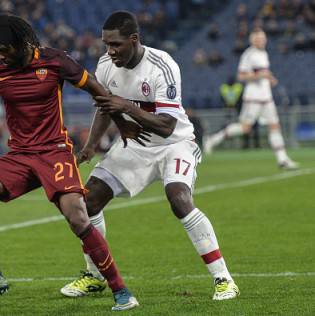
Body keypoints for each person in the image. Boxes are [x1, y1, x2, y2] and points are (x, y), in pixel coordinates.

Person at [0, 15, 143, 311]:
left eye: (4, 49)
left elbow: (98, 91)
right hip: (20, 156)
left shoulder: (55, 61)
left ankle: (121, 291)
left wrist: (121, 123)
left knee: (78, 217)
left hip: (55, 152)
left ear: (23, 44)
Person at [60, 11, 240, 301]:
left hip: (175, 144)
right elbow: (105, 107)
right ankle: (94, 276)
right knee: (88, 200)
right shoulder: (106, 65)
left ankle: (223, 279)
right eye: (106, 44)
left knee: (179, 199)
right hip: (137, 144)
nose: (110, 51)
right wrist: (91, 145)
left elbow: (167, 127)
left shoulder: (162, 65)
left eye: (116, 44)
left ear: (134, 39)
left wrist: (127, 107)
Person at [204, 28, 298, 169]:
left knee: (274, 126)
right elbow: (241, 76)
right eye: (259, 39)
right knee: (245, 128)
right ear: (252, 40)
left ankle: (282, 159)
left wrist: (270, 78)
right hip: (253, 98)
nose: (262, 41)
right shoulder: (248, 55)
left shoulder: (263, 53)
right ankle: (212, 139)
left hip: (266, 98)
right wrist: (260, 76)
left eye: (263, 38)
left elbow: (263, 71)